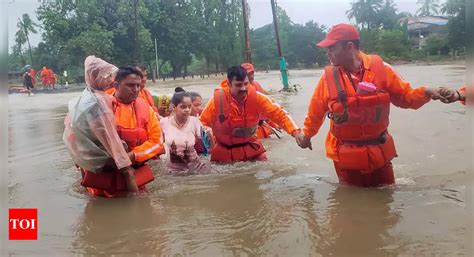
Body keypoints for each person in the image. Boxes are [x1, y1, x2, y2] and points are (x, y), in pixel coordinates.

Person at [296, 24, 449, 187]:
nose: (328, 53)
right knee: (352, 204)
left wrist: (427, 92)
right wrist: (306, 137)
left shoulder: (382, 70)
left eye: (332, 48)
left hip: (379, 150)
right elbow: (315, 113)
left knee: (387, 198)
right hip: (345, 155)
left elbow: (406, 98)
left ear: (349, 47)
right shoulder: (328, 79)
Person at [63, 56, 141, 197]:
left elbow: (70, 127)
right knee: (129, 173)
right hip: (99, 153)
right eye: (107, 76)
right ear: (94, 76)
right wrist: (124, 164)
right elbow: (108, 136)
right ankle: (137, 205)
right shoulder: (97, 103)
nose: (110, 80)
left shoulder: (84, 96)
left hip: (85, 153)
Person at [200, 66, 302, 163]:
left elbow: (279, 113)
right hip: (224, 150)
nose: (243, 88)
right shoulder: (217, 101)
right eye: (238, 85)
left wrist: (296, 132)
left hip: (251, 148)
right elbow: (201, 123)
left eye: (246, 84)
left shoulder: (258, 98)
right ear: (229, 84)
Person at [160, 90, 211, 175]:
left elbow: (208, 146)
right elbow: (159, 145)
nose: (187, 110)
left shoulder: (195, 122)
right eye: (183, 107)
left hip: (195, 169)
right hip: (173, 170)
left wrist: (210, 136)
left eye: (189, 107)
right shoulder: (164, 123)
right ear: (174, 107)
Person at [241, 62, 281, 139]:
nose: (251, 76)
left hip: (259, 125)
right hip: (246, 128)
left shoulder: (256, 85)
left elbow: (265, 109)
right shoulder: (237, 91)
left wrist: (274, 124)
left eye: (252, 72)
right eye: (248, 73)